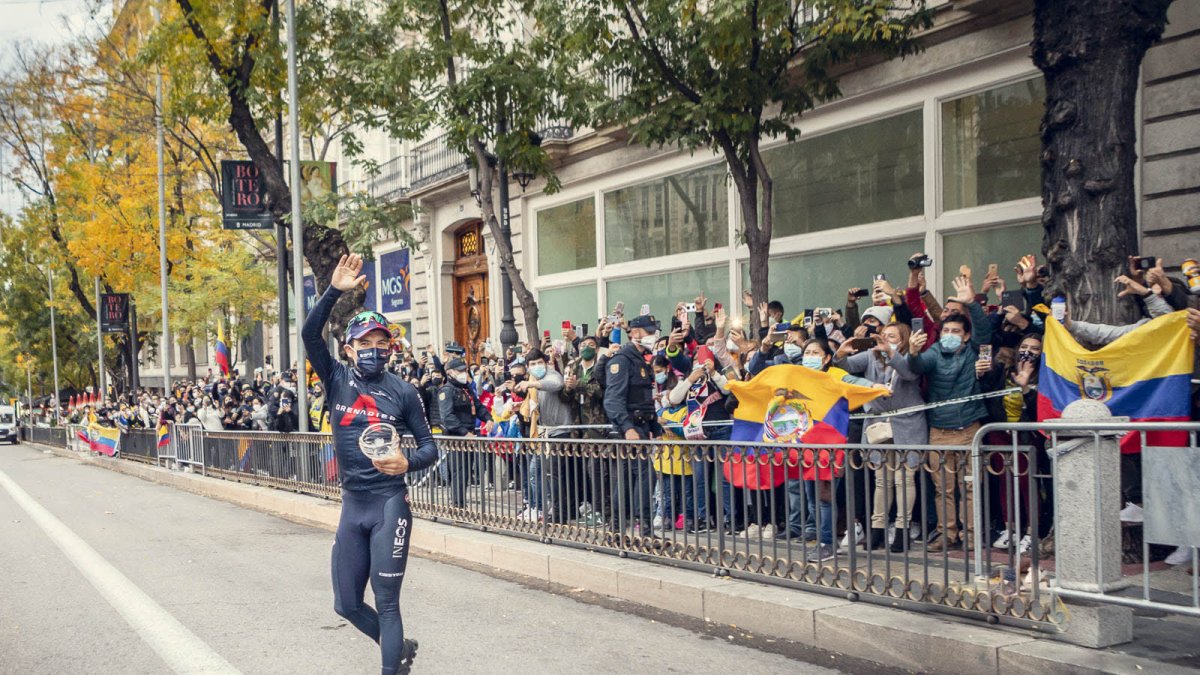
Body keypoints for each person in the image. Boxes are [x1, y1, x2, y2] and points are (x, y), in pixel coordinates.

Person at [303, 253, 439, 675]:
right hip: (352, 506)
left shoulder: (404, 391)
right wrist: (334, 290)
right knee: (344, 603)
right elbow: (309, 334)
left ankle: (391, 664)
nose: (375, 351)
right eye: (365, 344)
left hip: (388, 505)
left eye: (383, 345)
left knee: (387, 602)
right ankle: (396, 647)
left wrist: (407, 462)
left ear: (392, 349)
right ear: (349, 348)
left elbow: (431, 448)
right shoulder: (336, 378)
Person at [902, 275, 993, 552]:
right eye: (946, 332)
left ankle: (973, 535)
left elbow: (985, 333)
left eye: (956, 332)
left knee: (970, 486)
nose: (950, 336)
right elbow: (916, 368)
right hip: (939, 431)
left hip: (969, 429)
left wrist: (972, 304)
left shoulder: (973, 352)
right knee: (944, 489)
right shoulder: (934, 352)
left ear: (965, 336)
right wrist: (914, 354)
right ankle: (946, 534)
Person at [603, 314, 661, 535]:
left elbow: (643, 398)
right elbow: (613, 399)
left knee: (631, 477)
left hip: (642, 427)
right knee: (642, 476)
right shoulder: (622, 360)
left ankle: (620, 527)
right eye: (648, 331)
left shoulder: (640, 359)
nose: (653, 336)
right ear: (635, 333)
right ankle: (637, 526)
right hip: (631, 429)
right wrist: (627, 428)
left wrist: (654, 427)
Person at [438, 357, 488, 510]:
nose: (463, 373)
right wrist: (464, 433)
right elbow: (447, 417)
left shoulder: (467, 388)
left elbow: (478, 406)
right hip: (457, 437)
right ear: (450, 373)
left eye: (464, 370)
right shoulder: (446, 391)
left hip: (469, 436)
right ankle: (458, 505)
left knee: (466, 472)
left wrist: (488, 418)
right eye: (459, 371)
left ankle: (460, 504)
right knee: (458, 472)